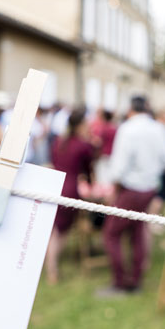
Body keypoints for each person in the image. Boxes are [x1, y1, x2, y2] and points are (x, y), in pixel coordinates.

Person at [101, 95, 165, 295]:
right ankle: (135, 279)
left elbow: (119, 167)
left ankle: (120, 282)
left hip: (132, 188)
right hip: (150, 188)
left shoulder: (128, 128)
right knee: (137, 232)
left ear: (130, 109)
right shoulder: (158, 128)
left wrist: (113, 189)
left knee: (111, 234)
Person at [46, 108, 94, 284]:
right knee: (62, 231)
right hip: (69, 189)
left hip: (54, 186)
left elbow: (53, 161)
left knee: (53, 230)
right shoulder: (83, 145)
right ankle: (52, 268)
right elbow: (88, 170)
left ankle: (50, 266)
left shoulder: (59, 141)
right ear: (80, 125)